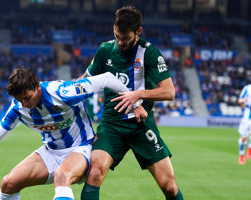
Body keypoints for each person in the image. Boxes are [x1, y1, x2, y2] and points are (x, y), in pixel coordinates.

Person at [0, 67, 138, 200]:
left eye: (27, 98)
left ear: (37, 86)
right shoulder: (18, 108)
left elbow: (106, 79)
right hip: (51, 151)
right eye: (21, 100)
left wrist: (135, 103)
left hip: (82, 148)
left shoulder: (63, 92)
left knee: (62, 176)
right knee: (8, 183)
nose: (25, 104)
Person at [78, 6, 183, 200]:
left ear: (138, 32)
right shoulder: (105, 50)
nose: (120, 42)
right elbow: (85, 80)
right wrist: (65, 92)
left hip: (140, 125)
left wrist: (137, 95)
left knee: (168, 185)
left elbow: (169, 92)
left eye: (125, 38)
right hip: (111, 125)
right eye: (117, 36)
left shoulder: (150, 53)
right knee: (94, 173)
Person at [237, 84, 251, 164]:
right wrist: (243, 100)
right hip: (247, 114)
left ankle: (250, 149)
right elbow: (240, 101)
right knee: (243, 138)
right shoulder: (247, 88)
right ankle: (241, 155)